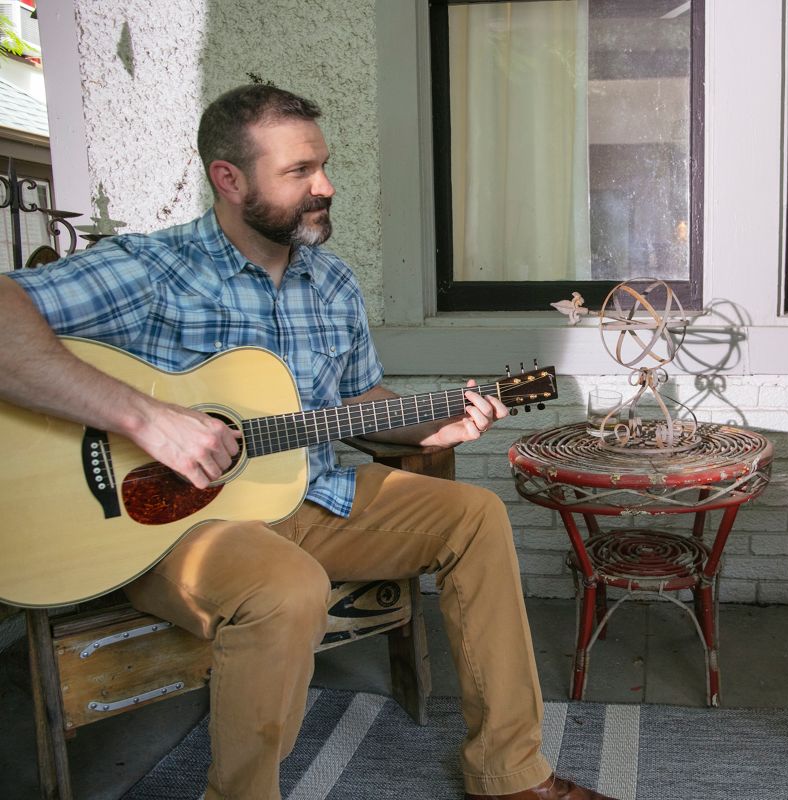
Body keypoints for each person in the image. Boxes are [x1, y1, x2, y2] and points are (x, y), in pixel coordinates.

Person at [0, 84, 612, 800]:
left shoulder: (332, 282)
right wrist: (143, 418)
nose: (325, 187)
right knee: (289, 587)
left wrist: (436, 421)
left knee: (473, 516)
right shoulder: (156, 269)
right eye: (299, 172)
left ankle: (507, 772)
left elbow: (357, 404)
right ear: (229, 179)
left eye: (324, 165)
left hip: (310, 494)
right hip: (174, 524)